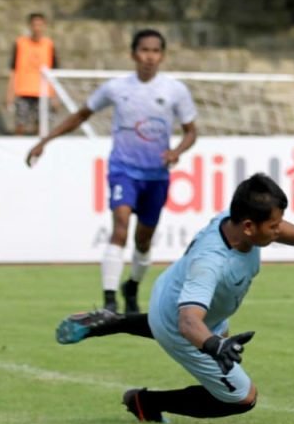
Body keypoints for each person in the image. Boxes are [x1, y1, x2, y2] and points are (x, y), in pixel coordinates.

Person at [54, 173, 294, 423]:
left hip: (177, 293)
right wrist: (213, 346)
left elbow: (278, 229)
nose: (279, 230)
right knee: (241, 397)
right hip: (181, 322)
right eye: (274, 226)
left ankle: (114, 321)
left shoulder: (236, 219)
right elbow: (188, 322)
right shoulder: (211, 263)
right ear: (250, 227)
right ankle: (146, 402)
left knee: (211, 331)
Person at [26, 29, 198, 314]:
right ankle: (108, 299)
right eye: (144, 50)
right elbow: (82, 114)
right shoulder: (116, 88)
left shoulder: (175, 91)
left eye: (155, 51)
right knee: (120, 226)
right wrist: (46, 140)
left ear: (162, 56)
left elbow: (191, 132)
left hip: (156, 175)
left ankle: (131, 286)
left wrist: (176, 152)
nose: (149, 57)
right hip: (123, 169)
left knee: (143, 239)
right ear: (133, 54)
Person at [6, 12, 59, 136]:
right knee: (20, 124)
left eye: (40, 25)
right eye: (35, 25)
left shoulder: (49, 45)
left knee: (42, 126)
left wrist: (55, 96)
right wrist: (9, 93)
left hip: (44, 91)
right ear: (30, 26)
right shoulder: (20, 43)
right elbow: (13, 70)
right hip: (23, 90)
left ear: (45, 26)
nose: (37, 28)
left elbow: (54, 73)